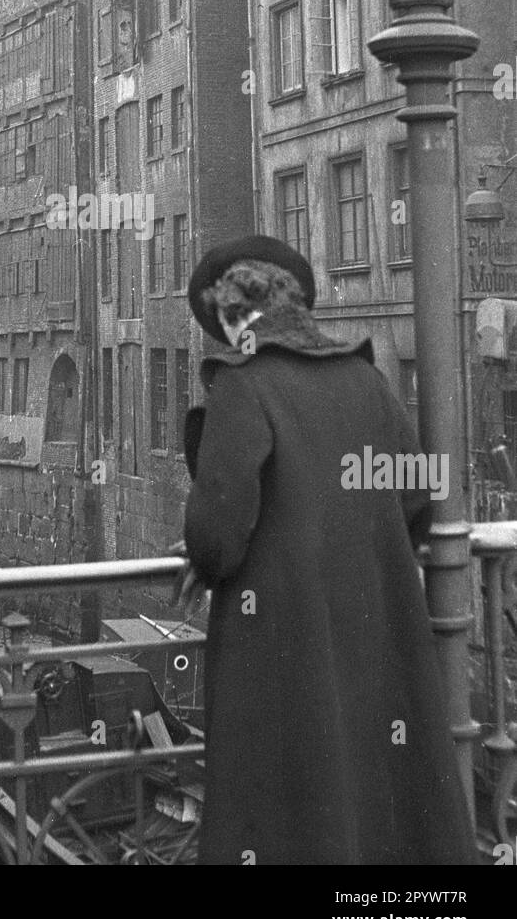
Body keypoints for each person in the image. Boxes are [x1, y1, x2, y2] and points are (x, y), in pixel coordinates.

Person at [178, 234, 478, 866]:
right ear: (299, 306)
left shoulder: (245, 387)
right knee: (377, 797)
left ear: (233, 319)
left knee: (287, 809)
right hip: (375, 630)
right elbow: (417, 496)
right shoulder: (368, 381)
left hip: (280, 646)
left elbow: (217, 540)